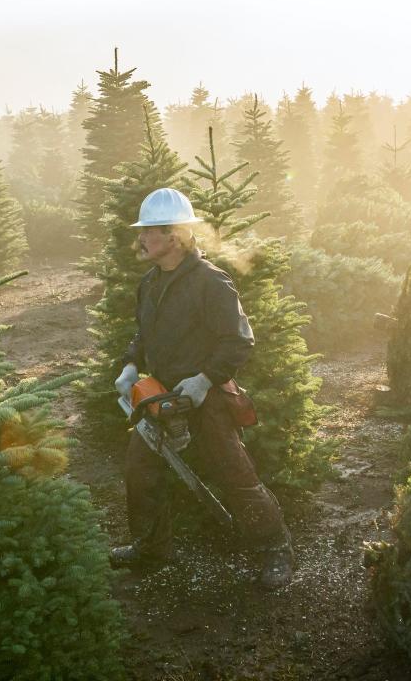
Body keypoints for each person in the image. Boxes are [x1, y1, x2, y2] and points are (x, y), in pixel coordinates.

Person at [110, 187, 295, 589]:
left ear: (174, 235)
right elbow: (143, 334)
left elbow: (238, 340)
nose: (140, 239)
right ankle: (152, 548)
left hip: (205, 398)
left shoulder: (211, 282)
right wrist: (129, 364)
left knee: (234, 473)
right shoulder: (150, 282)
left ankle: (276, 549)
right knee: (140, 470)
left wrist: (204, 379)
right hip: (161, 397)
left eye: (149, 232)